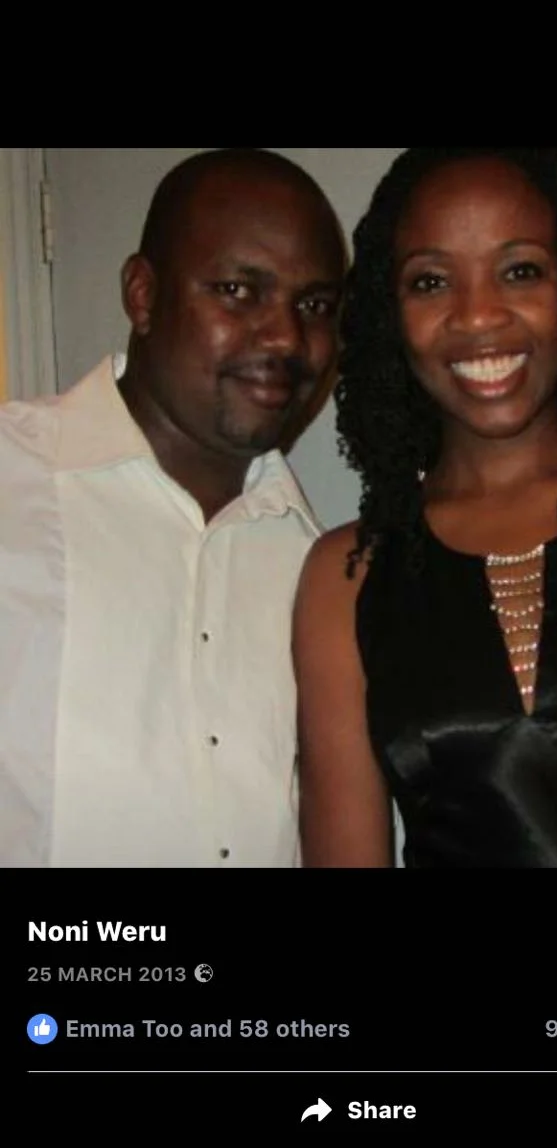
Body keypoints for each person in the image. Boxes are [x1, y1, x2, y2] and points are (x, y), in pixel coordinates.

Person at [294, 146, 557, 868]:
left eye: (520, 270)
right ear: (391, 318)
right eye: (430, 282)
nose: (478, 316)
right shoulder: (346, 576)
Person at [0, 147, 346, 867]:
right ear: (143, 295)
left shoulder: (317, 563)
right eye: (237, 290)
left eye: (314, 305)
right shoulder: (14, 479)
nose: (286, 337)